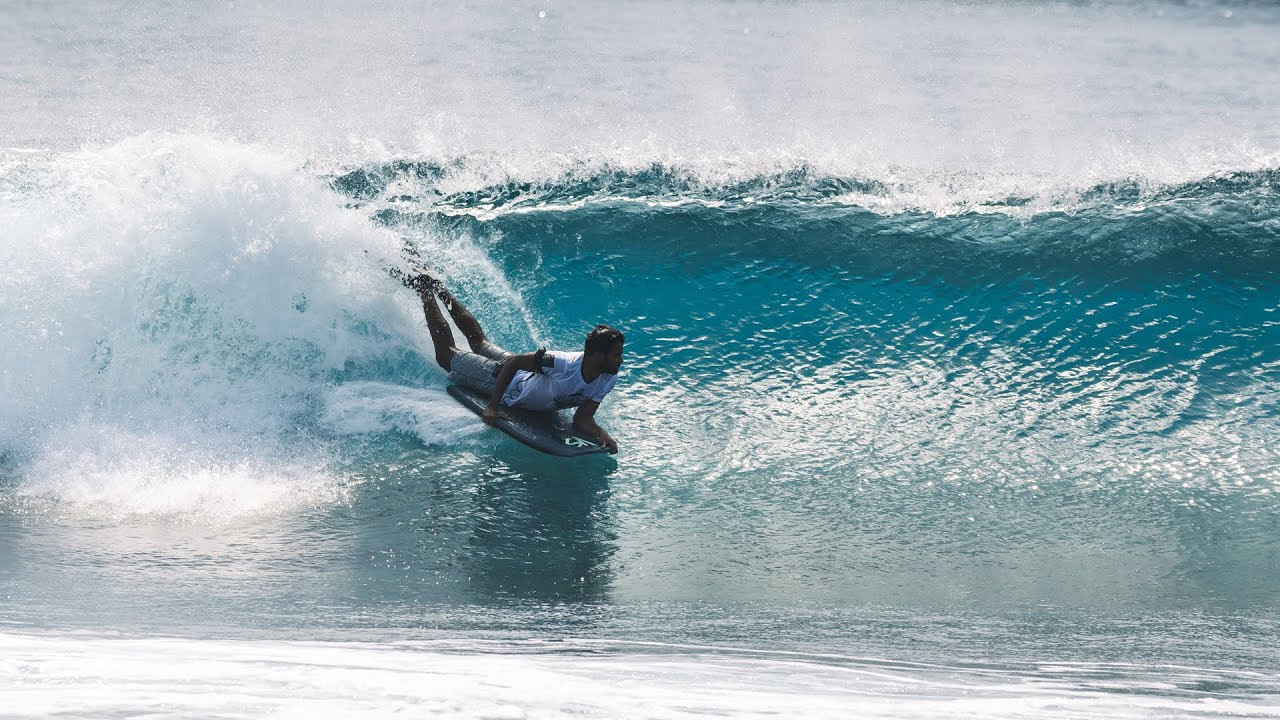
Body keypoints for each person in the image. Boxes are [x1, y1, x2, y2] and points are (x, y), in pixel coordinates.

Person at [409, 271, 624, 454]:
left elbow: (581, 419)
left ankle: (439, 288)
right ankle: (426, 290)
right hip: (503, 379)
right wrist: (492, 406)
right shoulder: (564, 363)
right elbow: (515, 362)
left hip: (524, 376)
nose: (620, 360)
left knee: (479, 342)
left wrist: (601, 434)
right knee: (446, 356)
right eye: (616, 354)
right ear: (596, 354)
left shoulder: (607, 378)